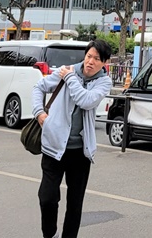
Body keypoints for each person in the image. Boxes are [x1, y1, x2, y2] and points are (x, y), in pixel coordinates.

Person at [32, 39, 112, 238]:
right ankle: (49, 234)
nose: (90, 62)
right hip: (54, 147)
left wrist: (70, 78)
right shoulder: (66, 71)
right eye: (88, 56)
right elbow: (39, 87)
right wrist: (39, 113)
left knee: (75, 204)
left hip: (80, 152)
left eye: (96, 59)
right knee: (47, 198)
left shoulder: (103, 81)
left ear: (104, 62)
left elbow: (86, 101)